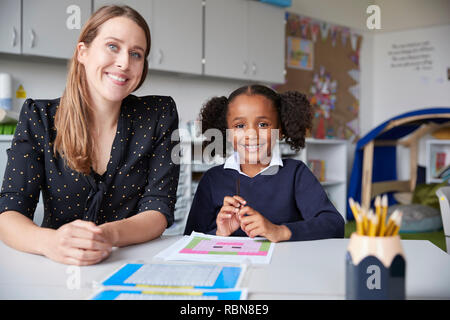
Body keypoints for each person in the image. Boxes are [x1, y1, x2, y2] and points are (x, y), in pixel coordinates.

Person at [0, 6, 180, 265]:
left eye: (136, 54)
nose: (124, 63)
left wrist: (107, 235)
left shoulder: (158, 114)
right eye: (112, 46)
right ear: (82, 52)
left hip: (132, 263)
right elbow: (9, 212)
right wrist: (50, 242)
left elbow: (158, 209)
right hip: (58, 265)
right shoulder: (39, 117)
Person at [184, 84, 344, 242]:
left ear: (280, 130)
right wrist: (219, 234)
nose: (251, 135)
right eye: (240, 126)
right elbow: (189, 239)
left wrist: (279, 231)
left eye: (263, 125)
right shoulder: (212, 179)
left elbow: (334, 225)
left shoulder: (296, 174)